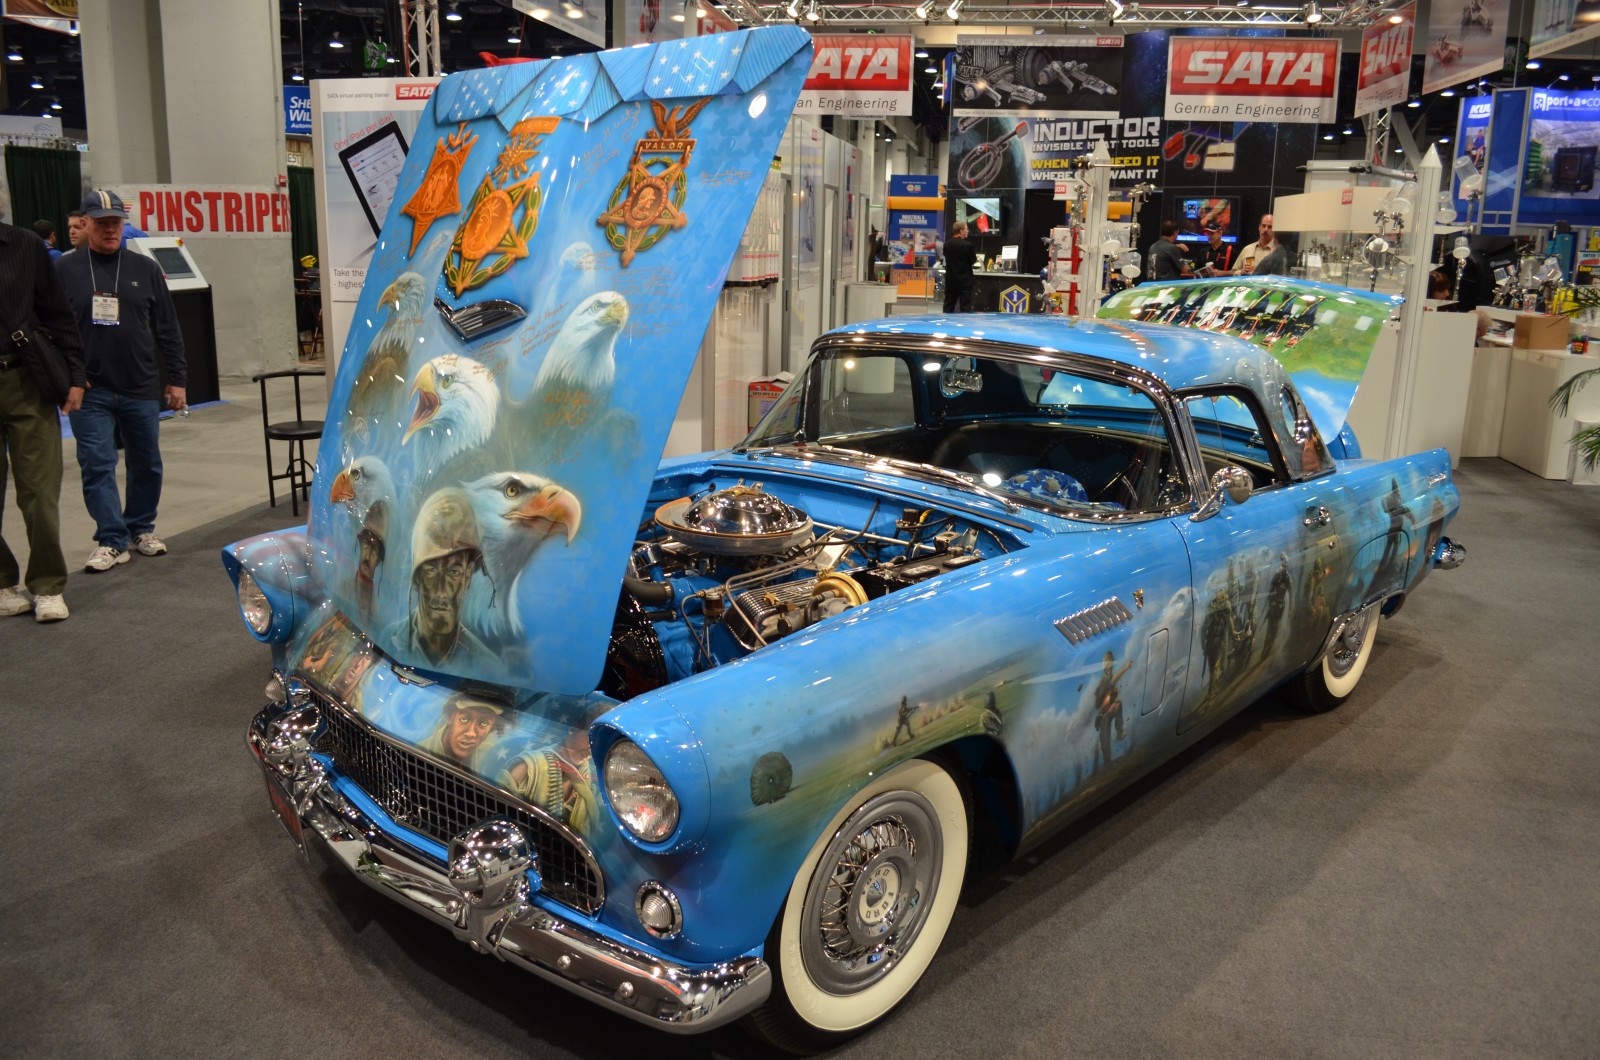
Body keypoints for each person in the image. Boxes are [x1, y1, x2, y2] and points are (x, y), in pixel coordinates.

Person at [56, 190, 186, 572]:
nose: (111, 229)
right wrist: (66, 378)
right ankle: (112, 539)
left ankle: (141, 527)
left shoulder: (145, 269)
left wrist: (177, 379)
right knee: (97, 464)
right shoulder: (64, 269)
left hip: (140, 384)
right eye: (102, 223)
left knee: (146, 463)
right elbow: (52, 328)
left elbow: (168, 329)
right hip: (89, 388)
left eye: (116, 222)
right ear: (85, 224)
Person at [0, 220, 86, 622]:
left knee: (39, 492)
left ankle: (48, 585)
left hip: (26, 380)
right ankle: (2, 580)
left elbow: (57, 312)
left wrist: (76, 374)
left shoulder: (24, 245)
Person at [942, 221, 978, 313]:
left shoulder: (947, 244)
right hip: (965, 282)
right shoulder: (968, 245)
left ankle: (946, 322)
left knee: (948, 306)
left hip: (950, 280)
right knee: (965, 307)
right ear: (961, 231)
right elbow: (973, 260)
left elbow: (946, 257)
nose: (968, 231)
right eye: (966, 229)